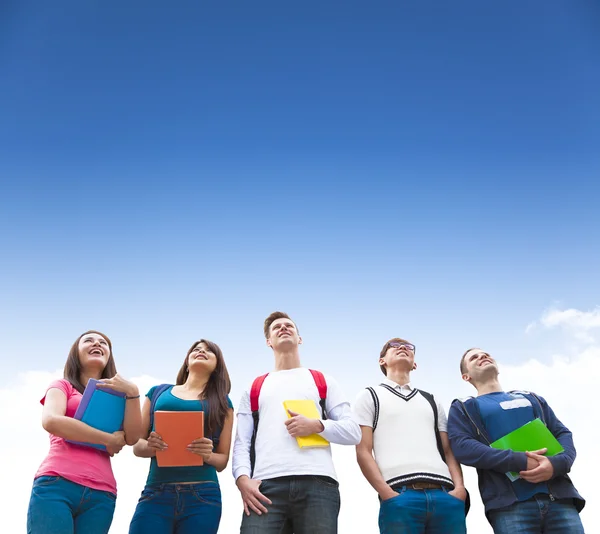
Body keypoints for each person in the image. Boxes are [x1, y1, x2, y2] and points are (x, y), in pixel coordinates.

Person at [232, 311, 361, 533]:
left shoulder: (322, 381)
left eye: (289, 325)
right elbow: (242, 442)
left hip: (318, 483)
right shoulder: (255, 387)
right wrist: (242, 479)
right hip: (265, 487)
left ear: (299, 338)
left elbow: (353, 432)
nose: (283, 328)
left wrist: (318, 425)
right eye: (276, 327)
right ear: (268, 342)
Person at [447, 347, 585, 533]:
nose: (483, 356)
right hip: (510, 507)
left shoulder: (531, 398)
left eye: (486, 354)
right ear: (466, 376)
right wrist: (521, 461)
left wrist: (556, 464)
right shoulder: (464, 407)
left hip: (559, 500)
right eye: (474, 358)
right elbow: (463, 447)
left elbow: (562, 434)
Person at [27, 330, 143, 534]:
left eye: (103, 343)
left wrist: (133, 392)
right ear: (76, 353)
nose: (97, 343)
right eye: (88, 340)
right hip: (57, 483)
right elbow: (51, 420)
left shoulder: (121, 397)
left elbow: (132, 438)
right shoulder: (62, 386)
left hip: (102, 493)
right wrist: (108, 438)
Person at [353, 337, 468, 534]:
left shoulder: (431, 400)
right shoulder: (369, 395)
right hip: (400, 494)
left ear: (414, 364)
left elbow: (448, 450)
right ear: (382, 360)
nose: (403, 348)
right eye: (395, 346)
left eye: (408, 347)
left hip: (445, 494)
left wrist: (459, 490)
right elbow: (363, 450)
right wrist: (386, 493)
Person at [129, 339, 233, 534]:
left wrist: (207, 455)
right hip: (156, 492)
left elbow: (222, 460)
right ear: (187, 361)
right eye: (196, 349)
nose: (201, 351)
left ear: (217, 365)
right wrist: (151, 446)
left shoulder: (223, 402)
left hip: (203, 496)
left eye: (209, 351)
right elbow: (137, 446)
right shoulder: (158, 392)